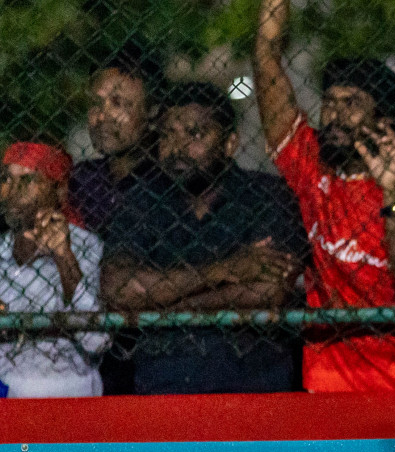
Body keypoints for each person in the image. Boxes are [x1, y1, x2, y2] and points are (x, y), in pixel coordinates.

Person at [256, 0, 395, 392]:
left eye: (351, 104)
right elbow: (267, 59)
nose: (333, 115)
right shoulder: (312, 158)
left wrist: (392, 193)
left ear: (383, 120)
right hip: (330, 374)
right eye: (329, 102)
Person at [101, 82, 307, 395]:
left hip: (253, 386)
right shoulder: (141, 200)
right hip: (163, 386)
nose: (177, 147)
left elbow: (269, 290)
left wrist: (166, 308)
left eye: (195, 134)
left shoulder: (265, 195)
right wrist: (223, 271)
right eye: (168, 135)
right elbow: (119, 288)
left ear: (229, 143)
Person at [0, 143, 107, 398]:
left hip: (67, 399)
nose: (13, 190)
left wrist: (64, 257)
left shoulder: (86, 246)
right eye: (6, 178)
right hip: (2, 400)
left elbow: (96, 343)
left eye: (28, 180)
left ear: (59, 191)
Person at [72, 46, 163, 235]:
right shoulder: (79, 181)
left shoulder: (169, 182)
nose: (102, 117)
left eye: (118, 103)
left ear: (152, 111)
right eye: (95, 105)